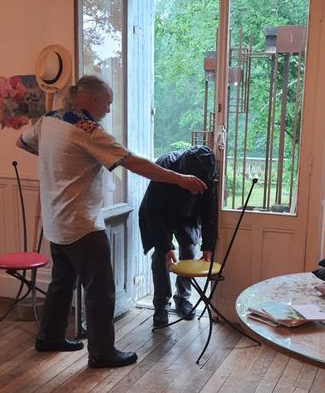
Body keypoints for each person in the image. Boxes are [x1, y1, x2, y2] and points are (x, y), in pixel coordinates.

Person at [16, 75, 206, 369]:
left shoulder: (49, 120)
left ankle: (49, 336)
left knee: (62, 282)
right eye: (108, 102)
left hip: (55, 222)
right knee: (100, 290)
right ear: (92, 99)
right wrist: (180, 180)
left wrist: (57, 159)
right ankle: (102, 352)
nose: (108, 108)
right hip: (82, 225)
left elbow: (22, 141)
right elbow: (134, 163)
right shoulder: (87, 129)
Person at [138, 145, 217, 328]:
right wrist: (166, 246)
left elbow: (209, 212)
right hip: (160, 214)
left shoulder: (208, 171)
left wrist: (208, 246)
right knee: (160, 257)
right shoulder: (166, 166)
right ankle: (161, 305)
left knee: (189, 249)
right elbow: (153, 211)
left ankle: (183, 299)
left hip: (187, 215)